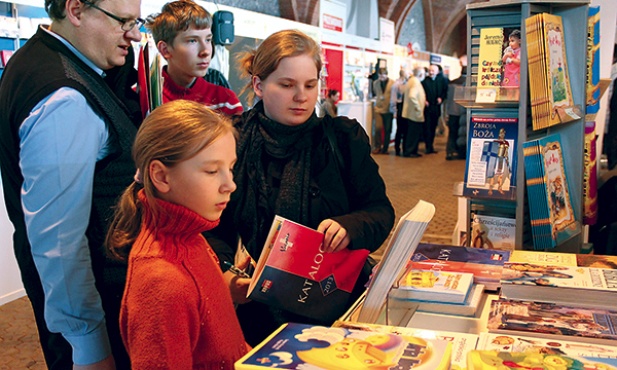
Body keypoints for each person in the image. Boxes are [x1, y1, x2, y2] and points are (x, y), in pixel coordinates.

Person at [207, 29, 395, 346]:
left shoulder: (341, 139)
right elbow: (214, 226)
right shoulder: (232, 142)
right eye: (287, 85)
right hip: (264, 309)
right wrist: (227, 273)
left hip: (337, 305)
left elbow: (380, 211)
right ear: (258, 85)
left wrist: (350, 227)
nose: (302, 96)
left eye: (310, 85)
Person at [0, 0, 143, 368]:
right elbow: (59, 242)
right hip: (97, 308)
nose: (134, 33)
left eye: (136, 20)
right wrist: (90, 344)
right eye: (124, 21)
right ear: (76, 10)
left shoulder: (44, 59)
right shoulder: (63, 98)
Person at [105, 100, 250, 369]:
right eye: (211, 171)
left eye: (230, 168)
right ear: (161, 176)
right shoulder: (160, 281)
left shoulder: (193, 238)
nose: (230, 184)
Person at [147, 0, 243, 116]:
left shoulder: (225, 101)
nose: (206, 51)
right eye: (192, 41)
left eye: (208, 39)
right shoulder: (145, 98)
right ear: (165, 49)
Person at [421, 64, 448, 154]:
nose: (431, 72)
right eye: (430, 70)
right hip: (427, 108)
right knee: (427, 127)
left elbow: (445, 91)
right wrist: (424, 100)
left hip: (436, 107)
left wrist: (441, 98)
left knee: (433, 127)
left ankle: (431, 146)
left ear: (437, 72)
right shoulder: (424, 82)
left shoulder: (441, 81)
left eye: (433, 71)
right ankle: (428, 147)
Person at [401, 67, 426, 158]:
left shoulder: (411, 81)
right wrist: (418, 108)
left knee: (409, 133)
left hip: (409, 112)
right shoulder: (415, 82)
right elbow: (412, 96)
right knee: (413, 134)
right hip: (414, 113)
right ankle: (410, 151)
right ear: (420, 74)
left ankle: (409, 150)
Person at [446, 65, 467, 160]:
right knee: (462, 133)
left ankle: (450, 151)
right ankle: (460, 152)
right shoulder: (467, 83)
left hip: (452, 112)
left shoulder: (451, 83)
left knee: (452, 133)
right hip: (463, 112)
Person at [372, 68, 395, 154]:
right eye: (380, 76)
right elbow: (376, 93)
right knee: (377, 128)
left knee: (388, 129)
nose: (381, 77)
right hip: (378, 109)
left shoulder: (392, 83)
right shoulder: (375, 83)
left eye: (383, 75)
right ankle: (377, 146)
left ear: (386, 75)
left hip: (388, 110)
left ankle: (385, 148)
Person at [391, 69, 408, 156]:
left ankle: (404, 148)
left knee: (405, 130)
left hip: (405, 107)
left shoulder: (407, 83)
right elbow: (393, 99)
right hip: (400, 107)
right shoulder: (396, 85)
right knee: (400, 129)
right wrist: (394, 111)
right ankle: (397, 148)